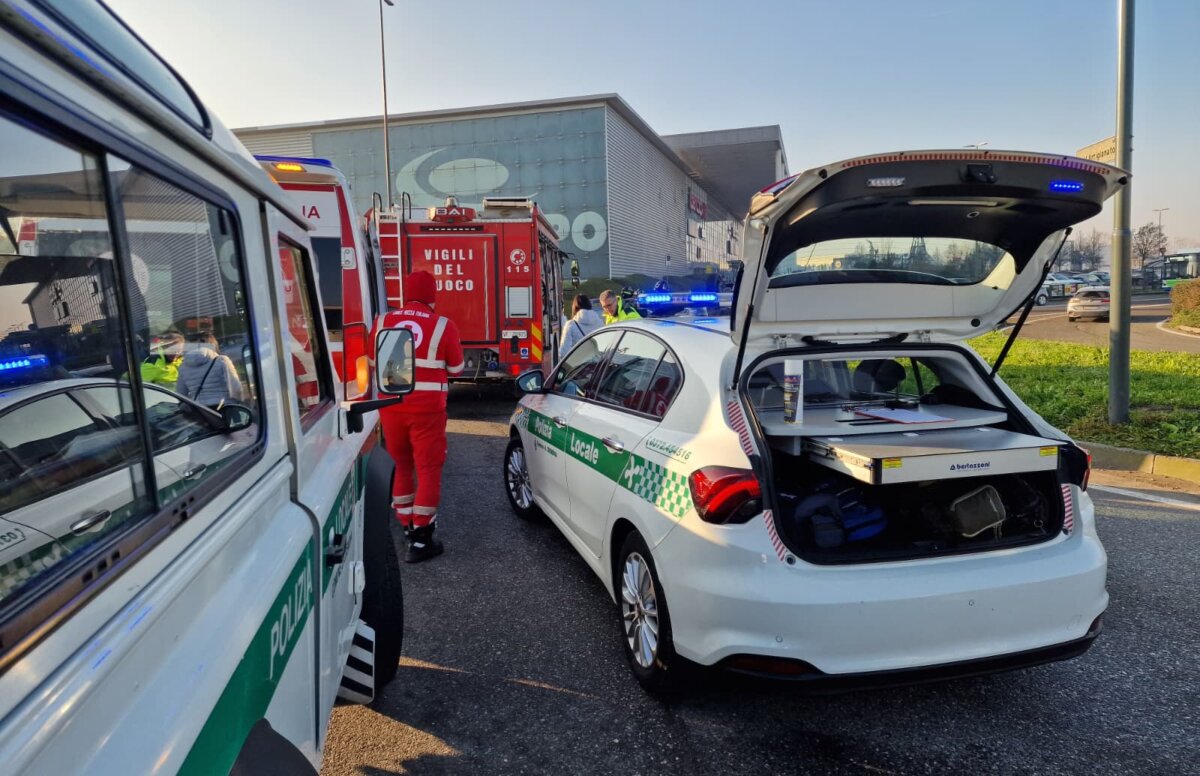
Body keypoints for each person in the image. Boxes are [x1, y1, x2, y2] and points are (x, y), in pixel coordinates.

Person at [372, 270, 464, 563]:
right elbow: (456, 369)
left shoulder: (383, 321)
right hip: (427, 409)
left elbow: (374, 361)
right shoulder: (443, 325)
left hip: (391, 405)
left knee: (400, 465)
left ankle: (405, 524)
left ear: (406, 294)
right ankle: (422, 539)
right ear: (431, 297)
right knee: (428, 468)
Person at [174, 330, 244, 408]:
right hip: (224, 406)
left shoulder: (183, 366)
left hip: (200, 410)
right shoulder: (221, 360)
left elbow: (181, 394)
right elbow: (236, 388)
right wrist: (239, 403)